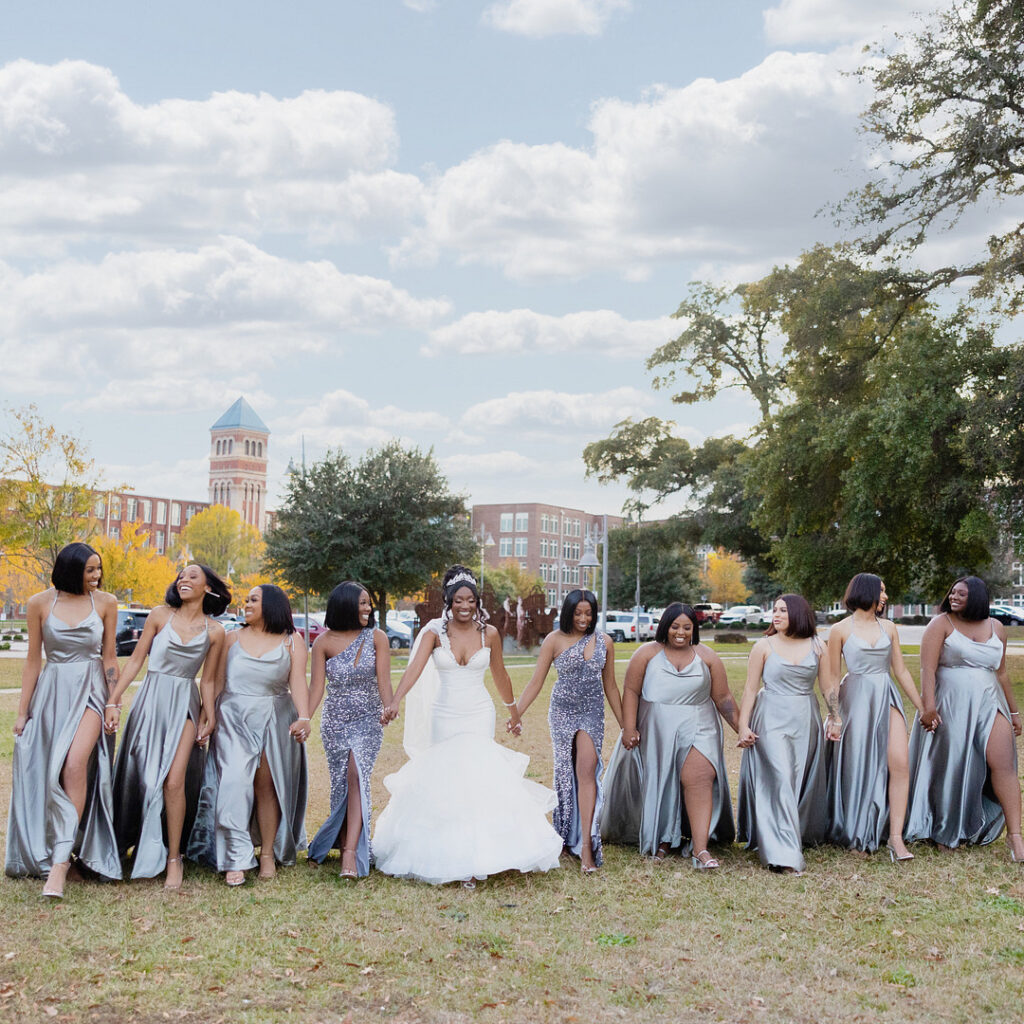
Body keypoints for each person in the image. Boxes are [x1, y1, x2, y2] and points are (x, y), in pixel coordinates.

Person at [373, 566, 563, 886]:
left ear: (477, 601)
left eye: (471, 600)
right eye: (459, 599)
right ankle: (445, 853)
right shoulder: (434, 633)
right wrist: (394, 702)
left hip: (478, 712)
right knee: (446, 781)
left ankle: (479, 857)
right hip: (444, 714)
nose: (465, 605)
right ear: (449, 601)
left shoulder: (488, 633)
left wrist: (513, 712)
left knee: (478, 779)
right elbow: (415, 671)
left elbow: (500, 674)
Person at [5, 542, 122, 895]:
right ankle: (67, 850)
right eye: (90, 570)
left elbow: (110, 657)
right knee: (48, 771)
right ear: (70, 570)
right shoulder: (39, 603)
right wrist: (23, 712)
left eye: (99, 569)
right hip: (53, 692)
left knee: (74, 765)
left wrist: (113, 702)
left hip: (90, 690)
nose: (97, 576)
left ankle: (59, 864)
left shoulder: (105, 603)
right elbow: (32, 661)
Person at [108, 564, 229, 889]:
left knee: (174, 782)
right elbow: (136, 659)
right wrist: (114, 699)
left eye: (192, 576)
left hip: (185, 705)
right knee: (147, 780)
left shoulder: (215, 631)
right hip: (151, 701)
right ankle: (135, 845)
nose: (183, 579)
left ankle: (174, 857)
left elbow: (209, 680)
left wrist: (210, 714)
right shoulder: (160, 615)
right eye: (181, 576)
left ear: (208, 587)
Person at [187, 584, 310, 885]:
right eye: (247, 600)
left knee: (265, 788)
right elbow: (214, 682)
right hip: (233, 718)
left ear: (272, 605)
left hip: (275, 717)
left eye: (253, 600)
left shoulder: (292, 640)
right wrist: (208, 717)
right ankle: (234, 857)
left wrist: (304, 716)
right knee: (232, 783)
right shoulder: (230, 638)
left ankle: (267, 853)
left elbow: (297, 682)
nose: (247, 604)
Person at [600, 603, 738, 868]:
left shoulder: (707, 656)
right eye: (675, 626)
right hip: (657, 728)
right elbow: (631, 691)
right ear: (665, 626)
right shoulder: (647, 654)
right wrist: (629, 727)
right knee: (662, 781)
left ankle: (701, 849)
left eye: (687, 627)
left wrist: (741, 729)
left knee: (699, 778)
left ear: (694, 629)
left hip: (699, 724)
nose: (681, 633)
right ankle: (663, 840)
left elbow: (723, 698)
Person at [905, 576, 1023, 859]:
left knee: (1003, 764)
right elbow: (927, 669)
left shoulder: (997, 628)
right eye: (953, 592)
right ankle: (946, 830)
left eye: (962, 594)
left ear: (978, 598)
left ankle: (1016, 837)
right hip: (950, 704)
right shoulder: (941, 623)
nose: (954, 597)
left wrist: (1015, 711)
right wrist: (928, 707)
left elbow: (1002, 672)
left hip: (989, 702)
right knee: (951, 767)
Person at [513, 589, 623, 873]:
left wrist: (627, 725)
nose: (584, 618)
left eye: (588, 613)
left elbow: (610, 686)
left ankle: (586, 845)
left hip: (592, 712)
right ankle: (563, 836)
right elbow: (536, 681)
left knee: (587, 770)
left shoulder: (605, 642)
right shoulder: (554, 640)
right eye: (578, 613)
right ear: (568, 612)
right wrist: (516, 714)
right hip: (561, 712)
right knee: (565, 774)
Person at [736, 593, 840, 873]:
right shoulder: (763, 646)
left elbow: (828, 686)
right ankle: (784, 854)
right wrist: (743, 726)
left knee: (796, 780)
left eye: (783, 610)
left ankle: (789, 834)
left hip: (805, 718)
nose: (777, 615)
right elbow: (749, 688)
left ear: (798, 613)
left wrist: (835, 717)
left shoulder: (818, 645)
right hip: (770, 718)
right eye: (775, 610)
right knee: (780, 778)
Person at [825, 573, 925, 859]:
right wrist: (835, 717)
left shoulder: (890, 627)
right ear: (866, 592)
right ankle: (857, 835)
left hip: (885, 694)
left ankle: (895, 837)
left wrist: (921, 707)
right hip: (855, 699)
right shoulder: (840, 630)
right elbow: (831, 679)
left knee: (900, 762)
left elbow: (901, 671)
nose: (885, 597)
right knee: (858, 767)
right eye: (882, 591)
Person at [307, 581, 393, 878]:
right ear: (345, 605)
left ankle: (350, 855)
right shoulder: (323, 643)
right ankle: (338, 841)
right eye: (363, 603)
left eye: (369, 603)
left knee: (357, 775)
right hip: (335, 723)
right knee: (343, 784)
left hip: (368, 721)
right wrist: (304, 717)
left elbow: (384, 681)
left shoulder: (377, 638)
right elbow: (316, 688)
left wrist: (388, 706)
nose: (368, 608)